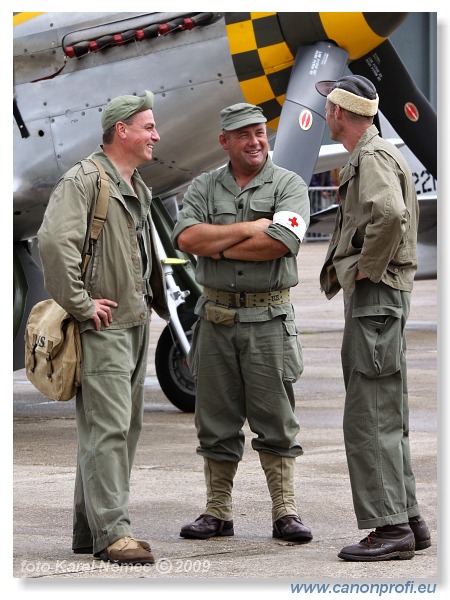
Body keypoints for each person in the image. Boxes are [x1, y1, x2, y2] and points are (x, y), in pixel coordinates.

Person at [171, 103, 313, 543]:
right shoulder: (203, 186)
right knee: (214, 419)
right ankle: (217, 512)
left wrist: (215, 246)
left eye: (259, 133)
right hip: (214, 321)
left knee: (276, 419)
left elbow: (282, 244)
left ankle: (285, 512)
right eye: (244, 135)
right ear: (225, 142)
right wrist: (253, 228)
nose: (255, 141)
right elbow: (186, 238)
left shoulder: (289, 185)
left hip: (268, 319)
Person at [37, 91, 169, 565]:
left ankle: (87, 531)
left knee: (117, 429)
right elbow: (53, 244)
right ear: (122, 131)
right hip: (104, 327)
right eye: (149, 127)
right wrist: (81, 303)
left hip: (133, 323)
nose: (156, 135)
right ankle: (113, 533)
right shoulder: (85, 180)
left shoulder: (135, 185)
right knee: (108, 430)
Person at [315, 75, 431, 561]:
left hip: (377, 300)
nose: (325, 113)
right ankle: (407, 518)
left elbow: (390, 213)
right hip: (382, 302)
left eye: (329, 106)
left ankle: (388, 529)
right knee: (387, 412)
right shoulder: (374, 155)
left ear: (340, 112)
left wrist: (367, 268)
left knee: (370, 416)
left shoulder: (373, 157)